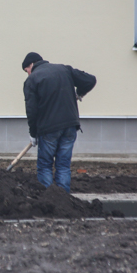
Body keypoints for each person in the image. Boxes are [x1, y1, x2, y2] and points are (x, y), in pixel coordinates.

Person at [22, 52, 96, 193]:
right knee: (63, 166)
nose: (28, 74)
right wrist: (79, 93)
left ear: (31, 65)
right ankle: (64, 201)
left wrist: (33, 133)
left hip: (48, 129)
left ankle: (48, 202)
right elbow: (90, 80)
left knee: (45, 166)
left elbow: (31, 110)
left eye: (27, 70)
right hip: (70, 126)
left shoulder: (32, 79)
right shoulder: (64, 70)